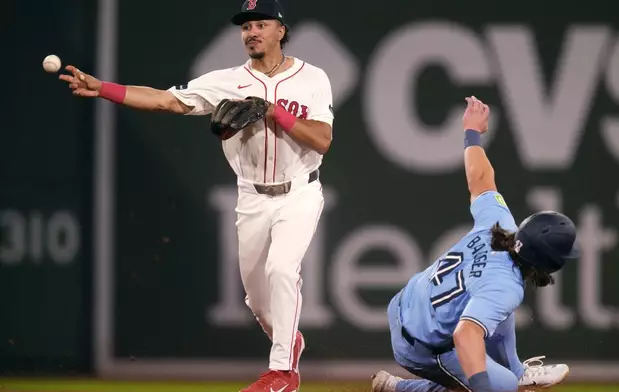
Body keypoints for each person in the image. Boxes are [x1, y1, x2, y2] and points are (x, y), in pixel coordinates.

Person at [59, 1, 334, 391]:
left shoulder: (313, 78)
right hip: (251, 197)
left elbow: (322, 141)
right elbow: (165, 100)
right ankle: (289, 340)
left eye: (260, 24)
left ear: (281, 31)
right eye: (245, 26)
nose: (251, 32)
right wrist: (103, 88)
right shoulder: (226, 81)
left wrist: (277, 113)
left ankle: (282, 373)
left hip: (299, 193)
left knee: (281, 269)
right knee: (257, 303)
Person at [371, 96, 579, 392]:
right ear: (551, 263)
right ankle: (398, 389)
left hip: (407, 305)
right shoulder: (506, 286)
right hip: (421, 346)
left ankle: (516, 370)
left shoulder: (501, 225)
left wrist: (471, 132)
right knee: (501, 387)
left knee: (496, 316)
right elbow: (465, 335)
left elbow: (480, 179)